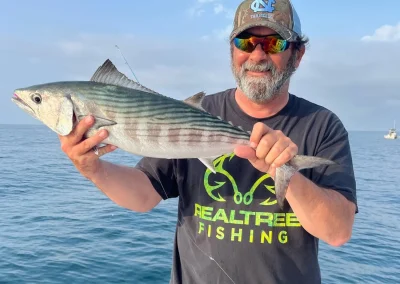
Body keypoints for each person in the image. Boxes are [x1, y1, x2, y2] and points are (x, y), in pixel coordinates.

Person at [59, 0, 358, 283]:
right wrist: (93, 169)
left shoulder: (322, 125)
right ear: (232, 50)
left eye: (274, 43)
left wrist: (288, 174)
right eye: (246, 42)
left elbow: (337, 232)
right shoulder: (192, 115)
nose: (257, 55)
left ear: (298, 54)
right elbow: (142, 195)